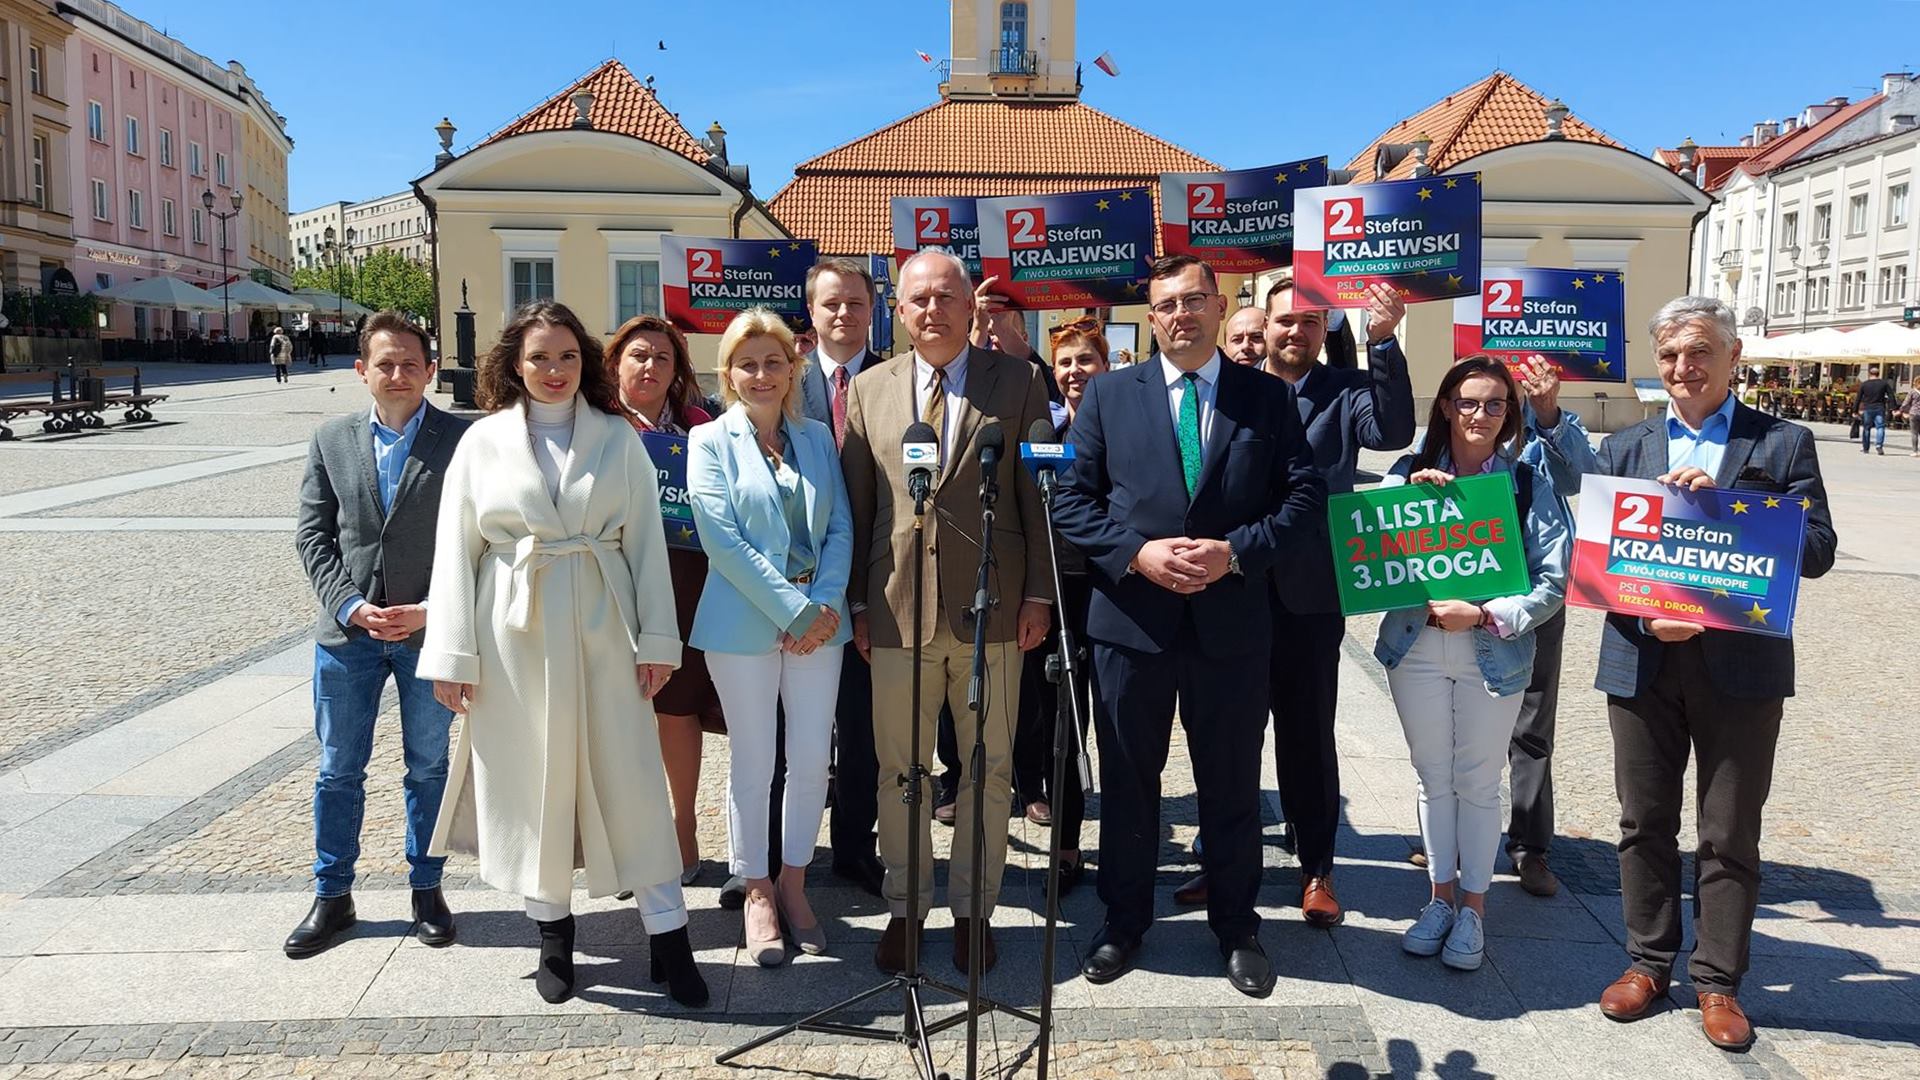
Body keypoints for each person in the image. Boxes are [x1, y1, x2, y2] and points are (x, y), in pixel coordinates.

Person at [417, 300, 706, 1008]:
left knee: (632, 782)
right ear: (515, 362)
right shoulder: (482, 443)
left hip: (607, 629)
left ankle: (669, 938)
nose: (553, 370)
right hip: (513, 635)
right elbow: (456, 552)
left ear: (586, 362)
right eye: (540, 357)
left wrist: (659, 643)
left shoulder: (617, 440)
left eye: (567, 356)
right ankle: (552, 932)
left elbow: (643, 547)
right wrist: (453, 656)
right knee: (531, 786)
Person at [1052, 254, 1325, 996]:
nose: (1182, 314)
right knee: (1131, 785)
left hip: (1231, 627)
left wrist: (1235, 554)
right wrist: (1135, 553)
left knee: (1232, 784)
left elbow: (1302, 503)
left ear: (1219, 305)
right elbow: (1071, 502)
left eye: (1195, 300)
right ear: (1152, 316)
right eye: (1167, 304)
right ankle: (1123, 923)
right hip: (1131, 626)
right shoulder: (1108, 395)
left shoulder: (1266, 398)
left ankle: (1238, 928)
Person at [1592, 296, 1835, 1051]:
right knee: (1643, 823)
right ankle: (1646, 963)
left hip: (1741, 666)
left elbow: (1818, 548)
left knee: (1729, 832)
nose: (1683, 368)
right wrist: (1646, 616)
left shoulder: (1784, 441)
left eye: (1699, 352)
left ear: (1733, 358)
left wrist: (1729, 510)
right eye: (1669, 356)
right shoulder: (1625, 447)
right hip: (1643, 656)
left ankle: (1719, 982)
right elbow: (1598, 561)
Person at [1170, 274, 1415, 923]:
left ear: (1323, 331)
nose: (1295, 332)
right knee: (1228, 737)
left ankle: (1317, 869)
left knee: (1306, 738)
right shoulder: (1231, 393)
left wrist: (1384, 343)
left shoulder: (1345, 392)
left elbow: (1392, 428)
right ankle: (1222, 861)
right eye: (1285, 321)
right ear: (1266, 327)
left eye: (1310, 322)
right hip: (1236, 591)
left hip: (1308, 596)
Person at [841, 249, 1055, 976]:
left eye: (946, 297)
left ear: (972, 307)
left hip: (993, 614)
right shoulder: (869, 391)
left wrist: (1038, 597)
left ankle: (973, 911)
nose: (932, 309)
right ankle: (906, 909)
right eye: (917, 299)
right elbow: (861, 508)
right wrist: (861, 603)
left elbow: (1034, 500)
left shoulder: (1021, 383)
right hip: (897, 614)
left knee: (988, 772)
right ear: (898, 311)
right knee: (900, 772)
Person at [1373, 356, 1569, 972]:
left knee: (1479, 781)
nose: (1479, 414)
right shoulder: (1407, 472)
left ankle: (1475, 910)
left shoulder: (1526, 481)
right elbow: (1370, 556)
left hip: (1492, 650)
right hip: (1417, 646)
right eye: (1466, 402)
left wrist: (1484, 614)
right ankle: (1438, 899)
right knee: (1433, 776)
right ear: (1445, 407)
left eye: (1494, 404)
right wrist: (1404, 501)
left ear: (1510, 413)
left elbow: (1554, 579)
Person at [287, 311, 469, 960]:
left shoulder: (462, 440)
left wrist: (432, 609)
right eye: (385, 364)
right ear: (361, 370)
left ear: (430, 370)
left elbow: (480, 543)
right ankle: (332, 894)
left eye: (410, 364)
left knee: (428, 767)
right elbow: (313, 535)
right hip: (349, 639)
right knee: (339, 770)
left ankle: (428, 888)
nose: (398, 375)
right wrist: (350, 605)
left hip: (430, 634)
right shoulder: (331, 440)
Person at [687, 307, 852, 967]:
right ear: (728, 373)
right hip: (743, 624)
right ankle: (756, 888)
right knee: (754, 763)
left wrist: (822, 604)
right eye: (747, 363)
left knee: (812, 760)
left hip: (820, 624)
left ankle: (794, 881)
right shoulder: (709, 442)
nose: (761, 374)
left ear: (793, 369)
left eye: (773, 361)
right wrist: (791, 610)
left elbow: (839, 524)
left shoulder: (816, 440)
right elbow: (720, 540)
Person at [608, 314, 720, 889]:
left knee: (676, 709)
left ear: (677, 371)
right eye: (638, 356)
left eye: (662, 358)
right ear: (617, 364)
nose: (649, 366)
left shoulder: (700, 426)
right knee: (622, 717)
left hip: (684, 582)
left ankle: (682, 825)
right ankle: (629, 837)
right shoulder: (595, 426)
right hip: (611, 586)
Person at [797, 257, 887, 899]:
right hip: (793, 589)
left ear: (873, 309)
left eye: (856, 303)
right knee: (786, 735)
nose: (844, 315)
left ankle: (855, 848)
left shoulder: (900, 380)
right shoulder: (778, 377)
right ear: (812, 311)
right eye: (832, 303)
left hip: (873, 584)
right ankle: (777, 862)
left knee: (863, 733)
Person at [1495, 354, 1602, 898]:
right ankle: (1447, 833)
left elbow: (1589, 479)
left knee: (1532, 724)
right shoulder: (1455, 427)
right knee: (1454, 722)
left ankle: (1530, 845)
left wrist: (1549, 414)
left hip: (1537, 594)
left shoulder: (1548, 425)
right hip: (1466, 593)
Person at [1013, 314, 1110, 892]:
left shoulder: (1125, 428)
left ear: (1105, 366)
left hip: (1115, 589)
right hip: (1057, 594)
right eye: (1066, 363)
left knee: (1119, 724)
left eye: (1086, 360)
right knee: (1062, 728)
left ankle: (1125, 841)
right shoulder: (1043, 433)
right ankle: (1067, 846)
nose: (1075, 372)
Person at [1855, 365, 1893, 455]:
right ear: (1878, 374)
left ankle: (1866, 447)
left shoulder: (1864, 384)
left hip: (1868, 408)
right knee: (1880, 427)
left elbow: (1858, 398)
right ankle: (1879, 445)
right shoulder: (1884, 383)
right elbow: (1891, 395)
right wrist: (1893, 407)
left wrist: (1855, 410)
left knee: (1866, 428)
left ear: (1869, 374)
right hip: (1880, 407)